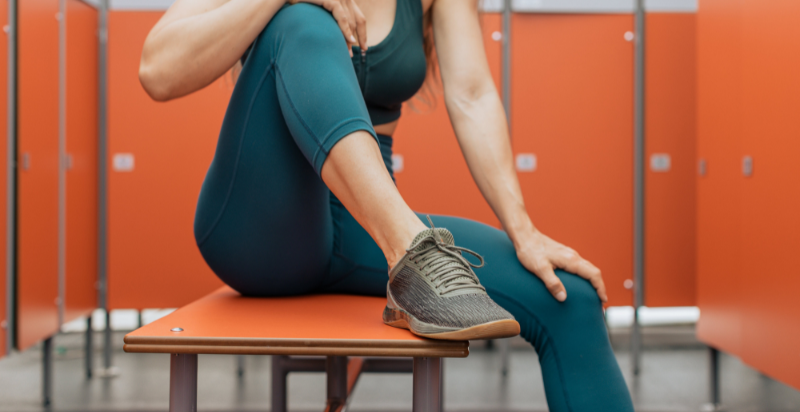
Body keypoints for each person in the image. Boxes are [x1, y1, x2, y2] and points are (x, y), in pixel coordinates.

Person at [139, 0, 634, 409]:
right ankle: (412, 252)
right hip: (263, 224)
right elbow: (157, 70)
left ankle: (412, 254)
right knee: (304, 18)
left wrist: (524, 231)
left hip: (365, 227)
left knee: (570, 298)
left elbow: (473, 95)